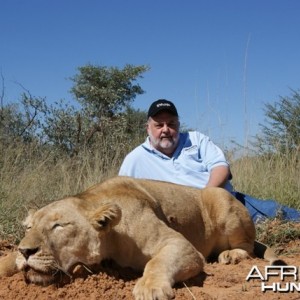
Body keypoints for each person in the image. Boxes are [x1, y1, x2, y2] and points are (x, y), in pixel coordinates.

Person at [119, 99, 300, 223]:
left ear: (178, 124)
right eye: (159, 125)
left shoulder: (196, 139)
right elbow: (122, 197)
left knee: (280, 214)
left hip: (224, 203)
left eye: (171, 124)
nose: (166, 129)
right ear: (148, 128)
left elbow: (221, 168)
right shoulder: (135, 159)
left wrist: (205, 199)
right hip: (184, 221)